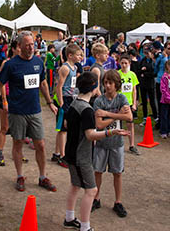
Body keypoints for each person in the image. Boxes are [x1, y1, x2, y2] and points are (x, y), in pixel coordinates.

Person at [0, 31, 58, 193]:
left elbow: (43, 83)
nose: (31, 47)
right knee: (18, 143)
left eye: (33, 44)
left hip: (35, 111)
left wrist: (50, 103)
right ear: (20, 46)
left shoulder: (38, 62)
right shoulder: (11, 65)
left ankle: (42, 177)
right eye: (28, 45)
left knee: (41, 145)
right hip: (17, 112)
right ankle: (19, 176)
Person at [63, 72, 129, 231]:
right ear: (93, 87)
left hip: (71, 152)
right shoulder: (86, 110)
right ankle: (85, 227)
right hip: (81, 156)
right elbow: (91, 135)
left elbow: (65, 123)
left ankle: (69, 218)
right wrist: (110, 132)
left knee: (75, 185)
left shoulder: (73, 104)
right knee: (91, 190)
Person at [91, 70, 132, 217]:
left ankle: (118, 202)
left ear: (117, 84)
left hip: (117, 143)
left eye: (110, 83)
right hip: (101, 142)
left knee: (117, 173)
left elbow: (129, 117)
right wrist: (118, 115)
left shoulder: (121, 98)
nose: (107, 86)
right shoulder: (99, 101)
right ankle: (96, 198)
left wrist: (108, 114)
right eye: (105, 83)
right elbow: (99, 125)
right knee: (98, 171)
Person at [52, 43, 82, 167]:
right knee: (63, 128)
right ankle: (63, 157)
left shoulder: (74, 68)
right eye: (79, 55)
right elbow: (59, 87)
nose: (81, 57)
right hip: (63, 99)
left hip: (71, 98)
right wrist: (61, 103)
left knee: (65, 128)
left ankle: (57, 153)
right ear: (70, 55)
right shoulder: (65, 68)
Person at [117, 54, 140, 154]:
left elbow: (134, 90)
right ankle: (118, 144)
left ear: (129, 63)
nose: (124, 65)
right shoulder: (117, 74)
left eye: (126, 63)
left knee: (130, 124)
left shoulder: (132, 75)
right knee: (118, 124)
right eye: (122, 63)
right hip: (119, 103)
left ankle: (132, 145)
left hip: (129, 102)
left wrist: (134, 103)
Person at [137, 47, 157, 126]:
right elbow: (139, 71)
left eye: (148, 53)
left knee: (152, 101)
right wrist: (143, 71)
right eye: (145, 53)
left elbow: (154, 73)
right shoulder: (142, 60)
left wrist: (145, 73)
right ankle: (145, 117)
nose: (146, 55)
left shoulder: (154, 62)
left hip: (150, 84)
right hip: (143, 84)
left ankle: (156, 117)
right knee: (144, 102)